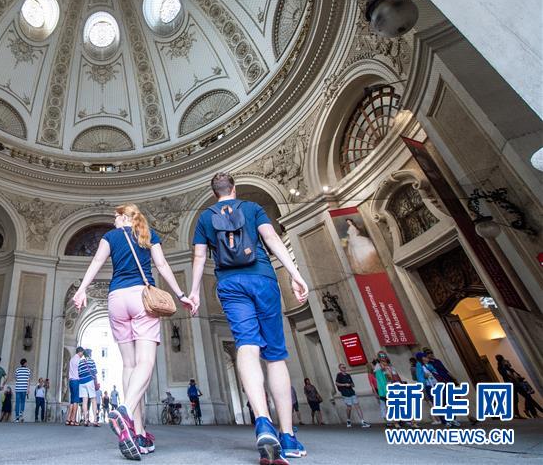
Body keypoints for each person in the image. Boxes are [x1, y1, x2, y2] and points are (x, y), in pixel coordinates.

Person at [189, 173, 309, 463]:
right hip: (262, 278)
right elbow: (271, 239)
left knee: (246, 345)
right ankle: (288, 436)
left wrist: (194, 291)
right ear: (234, 188)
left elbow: (200, 257)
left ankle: (262, 421)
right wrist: (296, 274)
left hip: (230, 284)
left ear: (214, 193)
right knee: (275, 356)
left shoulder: (205, 218)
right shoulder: (252, 208)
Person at [74, 203, 192, 459]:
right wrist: (181, 294)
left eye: (115, 216)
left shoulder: (110, 236)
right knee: (145, 362)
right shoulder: (148, 235)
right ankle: (125, 411)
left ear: (123, 217)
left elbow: (97, 261)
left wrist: (82, 289)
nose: (113, 221)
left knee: (128, 365)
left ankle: (137, 432)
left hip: (116, 298)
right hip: (141, 297)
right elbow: (162, 265)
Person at [335, 364, 369, 428]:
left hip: (352, 392)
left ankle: (363, 421)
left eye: (345, 367)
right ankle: (348, 420)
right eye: (343, 367)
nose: (344, 368)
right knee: (349, 407)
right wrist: (344, 384)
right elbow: (337, 383)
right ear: (340, 368)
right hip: (345, 393)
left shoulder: (348, 375)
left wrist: (351, 384)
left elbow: (353, 384)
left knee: (357, 406)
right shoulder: (339, 375)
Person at [78, 348, 99, 426]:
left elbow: (79, 373)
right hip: (89, 381)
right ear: (90, 354)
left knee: (84, 401)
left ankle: (86, 420)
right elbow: (94, 372)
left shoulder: (80, 362)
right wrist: (96, 382)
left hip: (82, 383)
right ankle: (95, 420)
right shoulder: (91, 361)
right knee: (93, 400)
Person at [66, 346, 83, 426]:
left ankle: (68, 419)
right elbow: (80, 371)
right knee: (76, 401)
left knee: (72, 401)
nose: (82, 354)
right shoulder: (78, 360)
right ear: (80, 352)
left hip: (71, 381)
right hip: (76, 381)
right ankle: (73, 420)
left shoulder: (72, 359)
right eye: (82, 353)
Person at [13, 358, 31, 422]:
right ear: (25, 363)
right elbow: (28, 381)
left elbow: (16, 378)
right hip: (24, 388)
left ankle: (17, 418)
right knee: (23, 402)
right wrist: (28, 389)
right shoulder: (28, 370)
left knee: (17, 403)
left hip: (18, 388)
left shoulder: (17, 370)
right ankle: (21, 412)